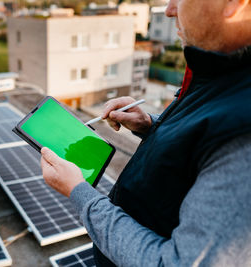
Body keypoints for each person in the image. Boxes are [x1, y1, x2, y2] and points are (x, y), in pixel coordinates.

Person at [40, 0, 251, 266]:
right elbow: (199, 147)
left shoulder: (244, 136)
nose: (169, 9)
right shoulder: (223, 74)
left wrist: (78, 191)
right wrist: (152, 125)